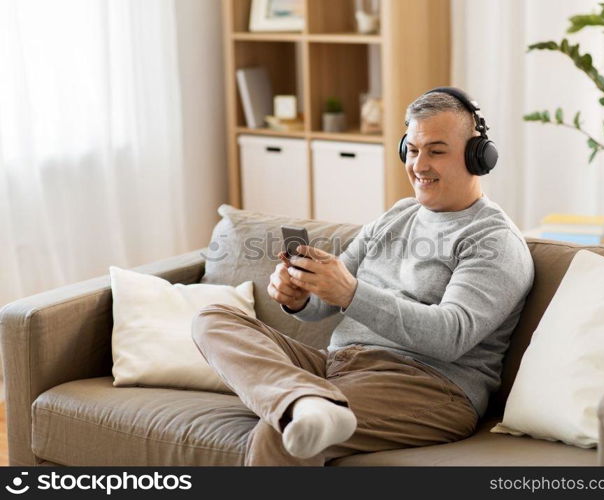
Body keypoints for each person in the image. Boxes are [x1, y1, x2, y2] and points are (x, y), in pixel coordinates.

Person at [191, 87, 535, 466]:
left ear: (478, 156)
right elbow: (328, 299)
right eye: (413, 150)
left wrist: (351, 292)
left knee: (283, 434)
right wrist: (300, 296)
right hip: (338, 365)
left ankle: (304, 407)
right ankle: (304, 402)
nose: (420, 166)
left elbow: (450, 336)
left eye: (437, 151)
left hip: (427, 386)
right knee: (212, 318)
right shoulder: (398, 215)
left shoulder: (493, 240)